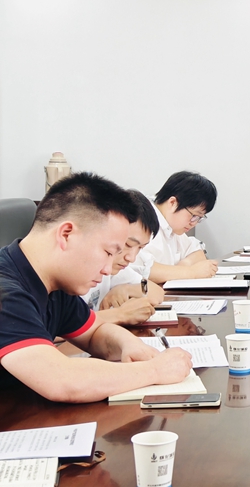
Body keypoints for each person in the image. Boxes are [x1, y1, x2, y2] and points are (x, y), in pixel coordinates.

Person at [0, 172, 192, 403]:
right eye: (108, 252)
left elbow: (94, 333)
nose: (108, 268)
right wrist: (155, 371)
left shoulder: (54, 284)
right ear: (66, 234)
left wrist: (130, 345)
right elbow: (61, 380)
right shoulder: (6, 292)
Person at [81, 190, 164, 326]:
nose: (132, 258)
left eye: (140, 248)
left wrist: (127, 289)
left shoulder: (112, 267)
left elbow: (157, 292)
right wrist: (119, 315)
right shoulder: (74, 272)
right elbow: (63, 329)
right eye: (128, 244)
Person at [130, 171, 219, 284]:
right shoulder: (143, 220)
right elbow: (142, 269)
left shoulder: (173, 226)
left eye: (199, 218)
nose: (194, 223)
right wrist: (191, 272)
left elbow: (197, 252)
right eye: (194, 216)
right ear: (172, 203)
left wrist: (180, 269)